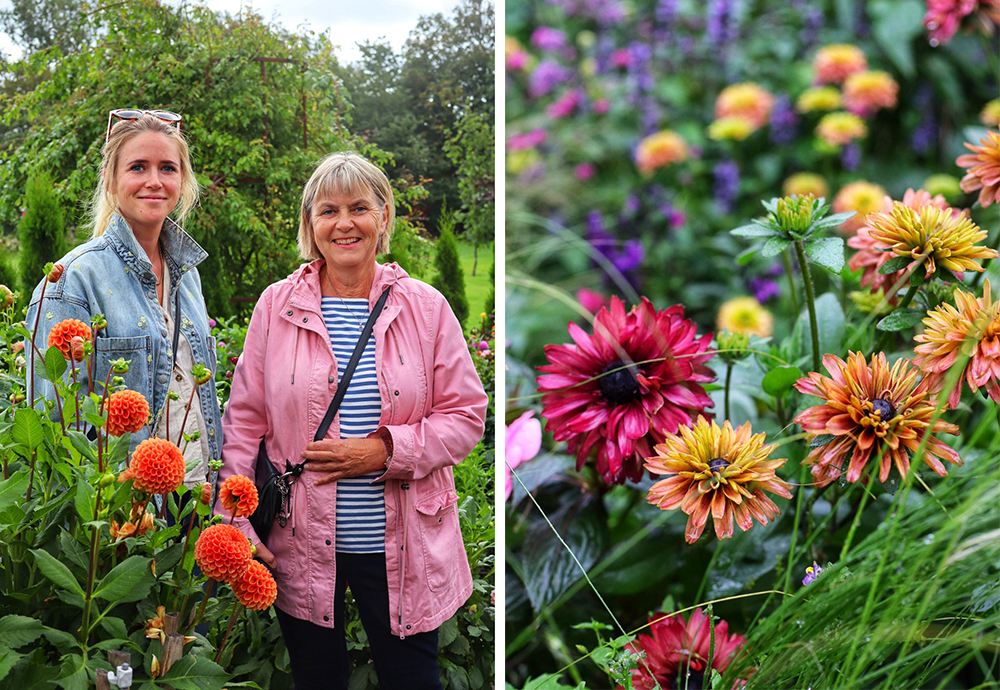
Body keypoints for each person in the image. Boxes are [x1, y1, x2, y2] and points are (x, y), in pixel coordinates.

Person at [218, 151, 487, 690]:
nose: (345, 223)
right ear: (310, 223)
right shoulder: (276, 306)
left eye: (359, 208)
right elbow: (244, 421)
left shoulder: (425, 307)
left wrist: (385, 451)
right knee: (318, 679)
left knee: (412, 681)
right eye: (329, 211)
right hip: (302, 540)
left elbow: (466, 416)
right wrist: (235, 518)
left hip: (404, 544)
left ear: (383, 217)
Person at [27, 110, 222, 487]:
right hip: (123, 505)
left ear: (182, 181)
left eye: (168, 168)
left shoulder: (188, 276)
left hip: (194, 498)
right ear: (110, 179)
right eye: (138, 167)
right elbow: (53, 428)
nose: (155, 181)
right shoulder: (74, 281)